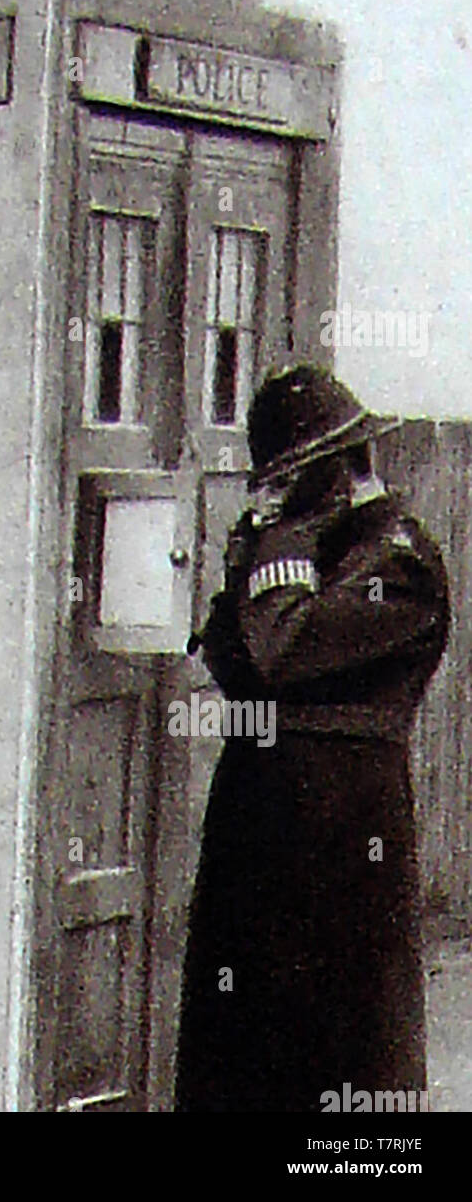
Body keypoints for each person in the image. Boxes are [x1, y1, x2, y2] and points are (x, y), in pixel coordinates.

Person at [175, 363, 450, 1112]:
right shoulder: (302, 555)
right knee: (239, 1055)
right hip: (258, 836)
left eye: (284, 481)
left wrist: (281, 542)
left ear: (330, 474)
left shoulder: (399, 565)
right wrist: (256, 551)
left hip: (343, 844)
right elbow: (234, 659)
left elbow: (283, 649)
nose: (267, 502)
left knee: (341, 1057)